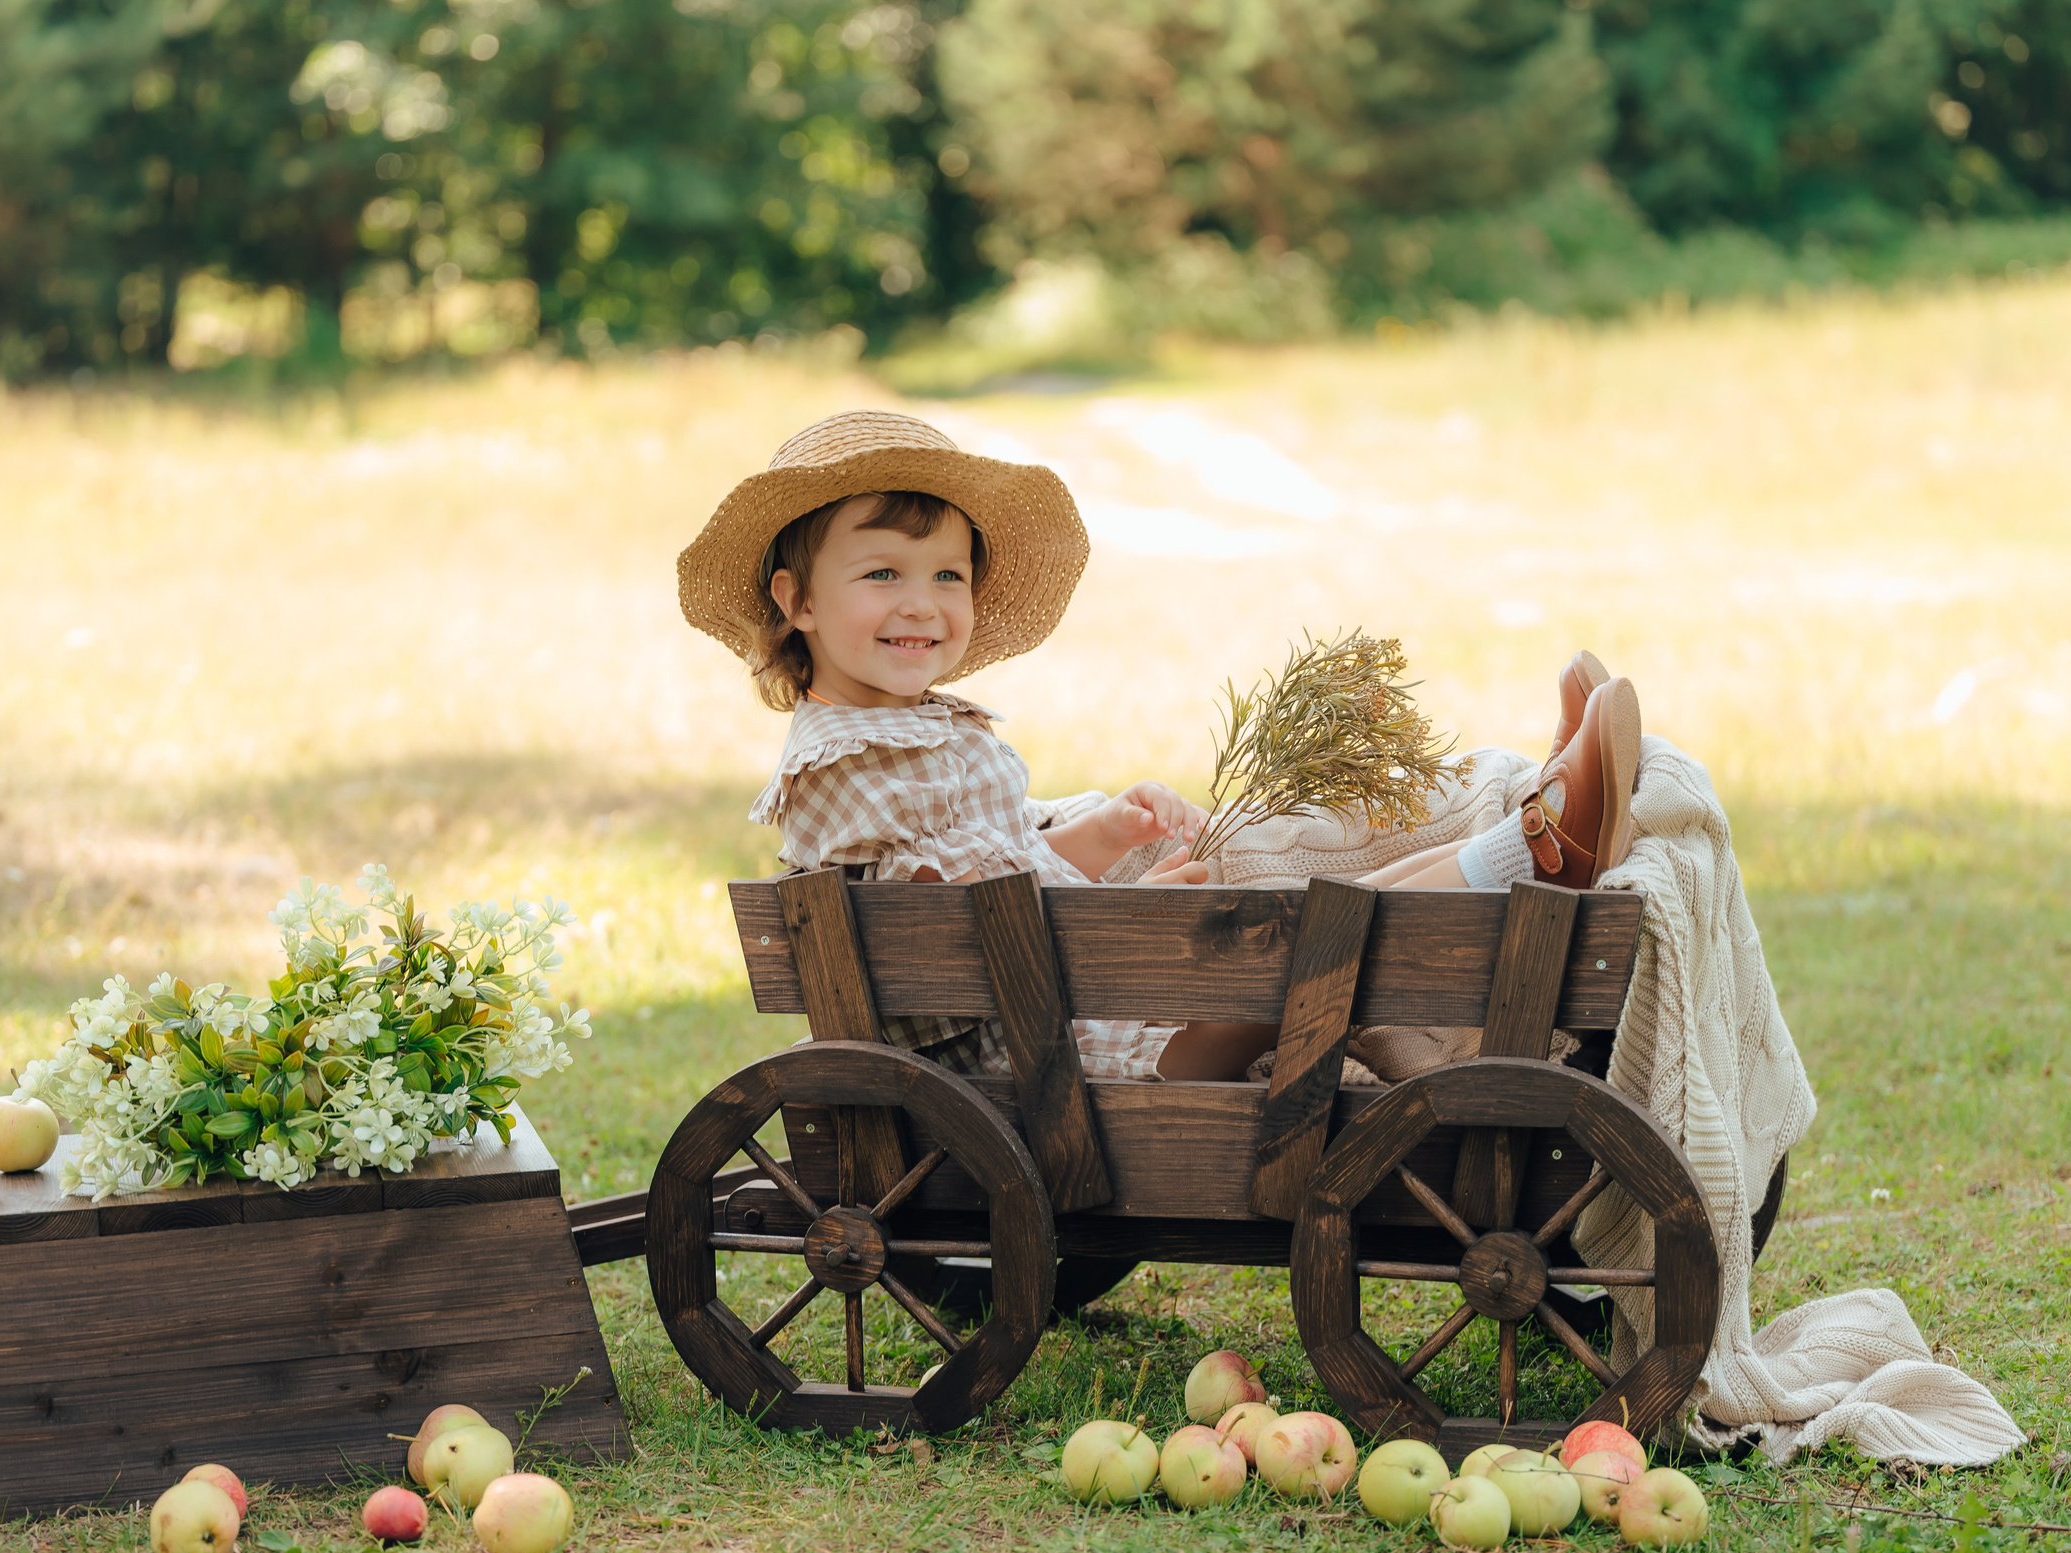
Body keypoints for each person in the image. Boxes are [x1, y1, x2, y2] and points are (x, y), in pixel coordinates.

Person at [677, 412, 1640, 1082]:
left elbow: (986, 872)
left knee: (1336, 901)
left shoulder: (903, 736)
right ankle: (1540, 847)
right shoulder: (844, 766)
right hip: (1074, 1071)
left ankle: (1533, 826)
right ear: (794, 599)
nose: (923, 601)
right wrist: (1128, 919)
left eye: (947, 572)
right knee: (1327, 937)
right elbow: (958, 936)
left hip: (1084, 1025)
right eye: (881, 571)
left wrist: (1097, 840)